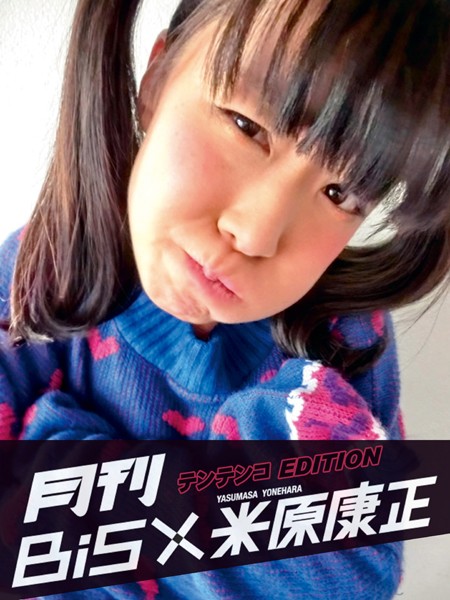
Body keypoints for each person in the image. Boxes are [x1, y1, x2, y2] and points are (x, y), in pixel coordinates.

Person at [1, 0, 449, 597]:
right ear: (156, 80)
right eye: (247, 126)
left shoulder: (346, 336)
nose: (257, 234)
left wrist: (54, 445)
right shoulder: (40, 269)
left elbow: (353, 576)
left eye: (341, 193)